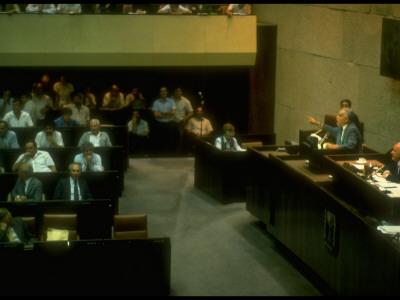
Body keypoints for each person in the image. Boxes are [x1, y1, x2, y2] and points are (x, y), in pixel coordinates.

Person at [152, 86, 176, 155]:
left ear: (167, 92)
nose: (164, 92)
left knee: (169, 142)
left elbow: (173, 112)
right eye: (162, 91)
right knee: (160, 141)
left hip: (169, 124)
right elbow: (156, 115)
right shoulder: (156, 102)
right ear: (160, 93)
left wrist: (162, 113)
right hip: (159, 124)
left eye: (165, 91)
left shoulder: (171, 101)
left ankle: (168, 156)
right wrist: (168, 114)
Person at [171, 87, 193, 154]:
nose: (178, 93)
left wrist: (185, 119)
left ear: (181, 92)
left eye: (179, 91)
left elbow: (191, 112)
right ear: (174, 92)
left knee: (180, 140)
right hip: (171, 122)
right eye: (177, 91)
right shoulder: (170, 100)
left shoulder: (185, 101)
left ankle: (178, 155)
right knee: (171, 139)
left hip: (180, 122)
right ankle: (171, 154)